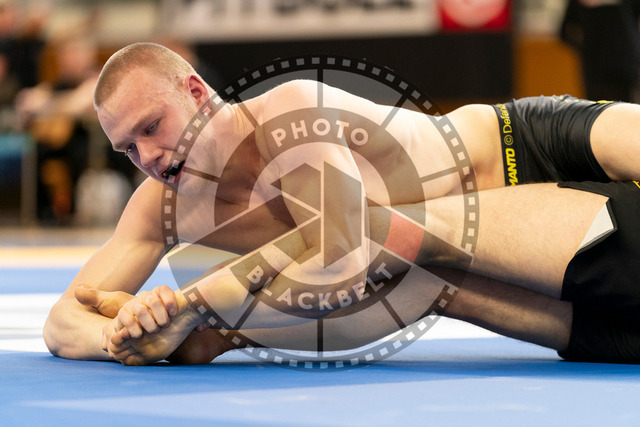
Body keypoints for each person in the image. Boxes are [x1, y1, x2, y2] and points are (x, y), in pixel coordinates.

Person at [42, 42, 640, 365]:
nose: (147, 155)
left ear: (196, 92)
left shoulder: (289, 113)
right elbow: (62, 321)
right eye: (128, 148)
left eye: (152, 126)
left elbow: (347, 253)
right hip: (486, 260)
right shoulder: (158, 207)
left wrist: (191, 308)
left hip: (527, 145)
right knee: (425, 276)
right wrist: (121, 336)